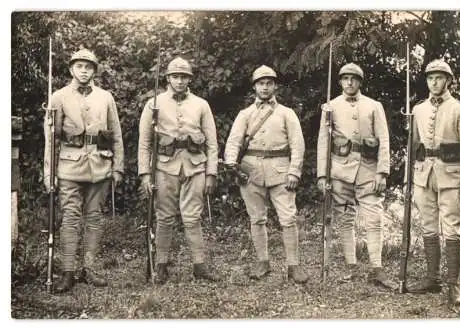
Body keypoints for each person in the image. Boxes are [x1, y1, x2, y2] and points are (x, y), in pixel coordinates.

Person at [43, 49, 124, 293]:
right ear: (71, 70)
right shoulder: (58, 98)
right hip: (69, 167)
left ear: (94, 71)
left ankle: (90, 269)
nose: (84, 70)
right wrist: (49, 173)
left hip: (99, 166)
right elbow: (51, 140)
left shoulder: (105, 97)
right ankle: (68, 272)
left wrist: (118, 167)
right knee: (70, 218)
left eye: (89, 67)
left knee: (94, 218)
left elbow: (116, 135)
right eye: (79, 66)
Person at [138, 57, 219, 283]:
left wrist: (211, 172)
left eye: (184, 77)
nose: (180, 81)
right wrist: (145, 173)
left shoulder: (201, 104)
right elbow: (144, 142)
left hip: (194, 166)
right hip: (164, 167)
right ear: (168, 78)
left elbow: (212, 142)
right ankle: (161, 265)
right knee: (164, 217)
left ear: (190, 79)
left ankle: (199, 265)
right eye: (176, 76)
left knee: (193, 217)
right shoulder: (153, 104)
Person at [224, 65, 308, 283]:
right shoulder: (245, 114)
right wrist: (232, 163)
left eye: (269, 83)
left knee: (288, 218)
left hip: (280, 170)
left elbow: (298, 146)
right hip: (250, 171)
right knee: (257, 218)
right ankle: (262, 261)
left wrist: (294, 173)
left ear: (275, 86)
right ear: (254, 87)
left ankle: (293, 265)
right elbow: (233, 141)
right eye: (261, 83)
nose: (265, 87)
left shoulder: (286, 114)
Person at [317, 63, 396, 290]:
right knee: (345, 218)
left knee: (374, 218)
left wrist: (382, 171)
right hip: (340, 170)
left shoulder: (374, 106)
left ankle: (376, 269)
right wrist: (323, 175)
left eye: (354, 79)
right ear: (340, 82)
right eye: (345, 79)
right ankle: (351, 265)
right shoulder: (330, 107)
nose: (349, 83)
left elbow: (384, 139)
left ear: (360, 82)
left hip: (368, 169)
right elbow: (324, 141)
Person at [408, 59, 460, 306]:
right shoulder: (418, 110)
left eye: (439, 77)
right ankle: (432, 278)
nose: (434, 82)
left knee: (451, 227)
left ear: (448, 80)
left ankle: (453, 284)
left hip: (451, 176)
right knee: (428, 224)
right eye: (430, 78)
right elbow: (414, 145)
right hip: (424, 175)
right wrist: (412, 177)